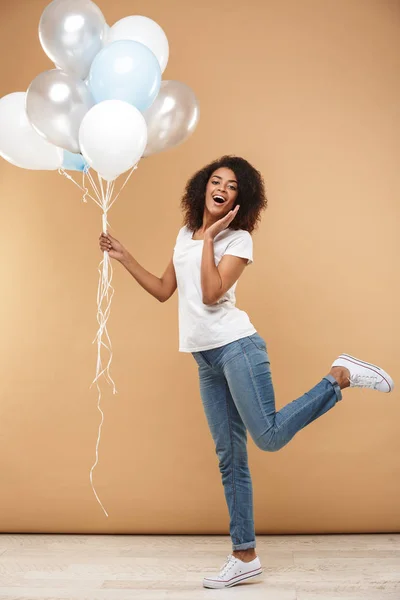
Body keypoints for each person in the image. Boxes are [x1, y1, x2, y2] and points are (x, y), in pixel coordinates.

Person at [99, 155, 394, 590]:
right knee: (230, 459)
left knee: (268, 437)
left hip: (237, 348)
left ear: (241, 198)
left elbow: (214, 293)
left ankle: (340, 376)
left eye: (232, 186)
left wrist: (210, 240)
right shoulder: (186, 234)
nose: (222, 188)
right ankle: (245, 555)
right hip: (205, 358)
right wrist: (125, 257)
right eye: (215, 181)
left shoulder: (237, 240)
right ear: (202, 188)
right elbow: (165, 291)